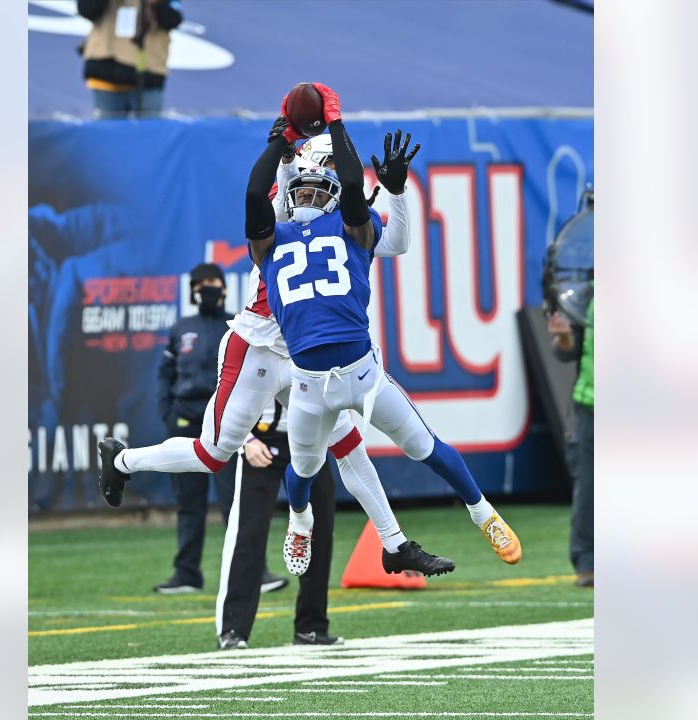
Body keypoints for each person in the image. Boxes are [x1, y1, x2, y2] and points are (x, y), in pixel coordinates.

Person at [99, 122, 456, 587]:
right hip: (261, 347)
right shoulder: (286, 200)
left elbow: (397, 242)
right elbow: (282, 192)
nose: (331, 178)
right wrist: (288, 153)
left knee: (348, 446)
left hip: (310, 357)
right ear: (307, 166)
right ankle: (123, 461)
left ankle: (392, 543)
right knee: (213, 453)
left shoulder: (344, 218)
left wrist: (396, 192)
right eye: (325, 166)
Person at [243, 83, 523, 575]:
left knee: (424, 446)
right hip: (308, 382)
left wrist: (386, 182)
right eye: (302, 188)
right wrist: (279, 143)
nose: (311, 193)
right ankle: (299, 519)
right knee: (304, 470)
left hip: (362, 373)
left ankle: (484, 514)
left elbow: (356, 194)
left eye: (320, 186)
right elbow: (254, 194)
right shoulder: (271, 240)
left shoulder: (352, 229)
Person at [216, 397, 340, 649]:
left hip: (310, 443)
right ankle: (232, 628)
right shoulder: (255, 354)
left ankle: (312, 626)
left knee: (320, 532)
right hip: (262, 440)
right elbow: (226, 390)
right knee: (248, 532)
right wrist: (245, 440)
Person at [152, 263, 238, 593]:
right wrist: (168, 414)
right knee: (189, 503)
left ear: (225, 287)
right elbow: (164, 375)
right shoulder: (181, 329)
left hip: (227, 424)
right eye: (200, 284)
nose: (207, 288)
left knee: (237, 502)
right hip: (185, 423)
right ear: (192, 290)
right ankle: (187, 574)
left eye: (213, 282)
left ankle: (253, 573)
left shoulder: (237, 326)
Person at [547, 293, 594, 588]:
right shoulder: (586, 294)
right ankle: (588, 562)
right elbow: (567, 351)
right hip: (591, 403)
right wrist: (563, 336)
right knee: (589, 487)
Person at [76, 0, 182, 118]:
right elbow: (86, 9)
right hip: (107, 70)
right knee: (108, 133)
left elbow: (174, 20)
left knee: (148, 133)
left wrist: (157, 3)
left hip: (149, 73)